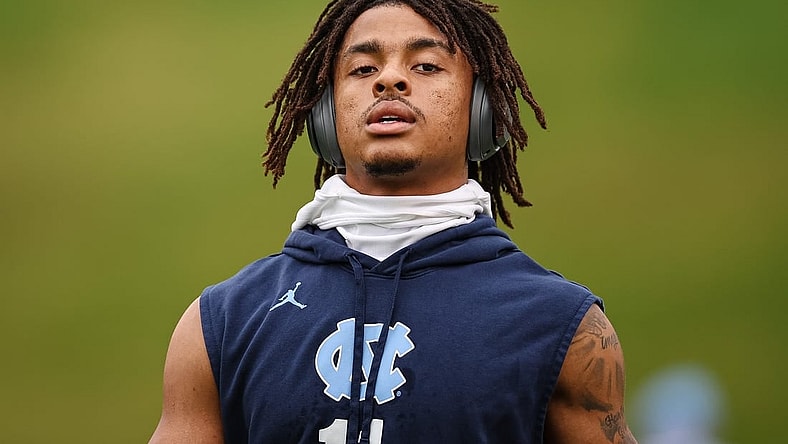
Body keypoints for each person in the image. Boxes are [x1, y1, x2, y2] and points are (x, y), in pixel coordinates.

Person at [149, 1, 637, 443]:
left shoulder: (562, 327)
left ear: (482, 109)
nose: (389, 81)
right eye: (363, 69)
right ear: (325, 113)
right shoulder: (222, 322)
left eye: (426, 66)